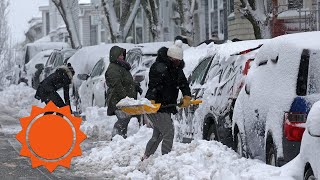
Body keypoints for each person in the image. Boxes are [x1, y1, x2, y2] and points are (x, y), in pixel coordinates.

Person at [142, 40, 191, 160]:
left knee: (158, 135)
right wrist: (152, 99)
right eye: (176, 61)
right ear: (170, 58)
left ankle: (147, 156)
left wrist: (187, 96)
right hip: (156, 106)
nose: (178, 63)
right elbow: (154, 85)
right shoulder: (158, 67)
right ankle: (166, 159)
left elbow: (183, 83)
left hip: (166, 107)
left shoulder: (177, 68)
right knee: (169, 132)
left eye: (179, 61)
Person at [105, 45, 139, 139]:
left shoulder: (121, 66)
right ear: (115, 55)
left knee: (125, 119)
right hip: (117, 99)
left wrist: (135, 86)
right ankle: (116, 136)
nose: (122, 56)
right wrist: (125, 97)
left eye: (122, 55)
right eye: (120, 55)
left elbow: (127, 81)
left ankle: (121, 138)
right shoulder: (113, 68)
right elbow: (117, 85)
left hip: (123, 99)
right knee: (123, 119)